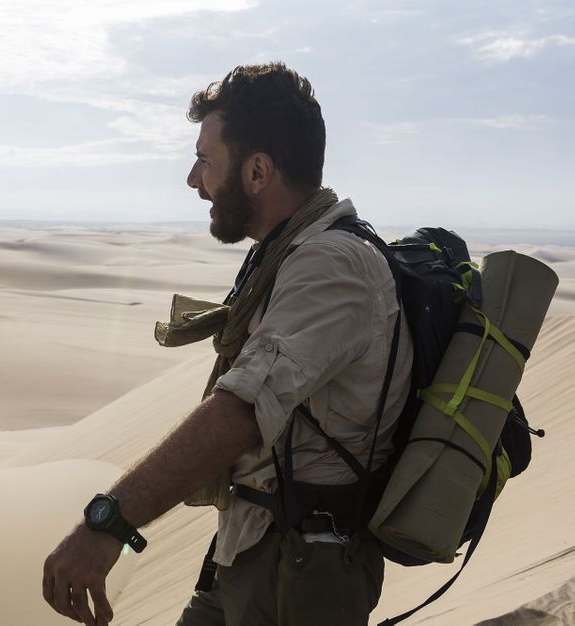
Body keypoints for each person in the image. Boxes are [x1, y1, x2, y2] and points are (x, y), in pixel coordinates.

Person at [42, 62, 413, 626]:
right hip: (251, 549)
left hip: (299, 575)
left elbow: (240, 411)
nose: (194, 179)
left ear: (258, 171)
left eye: (205, 160)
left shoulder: (331, 266)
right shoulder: (286, 252)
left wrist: (108, 522)